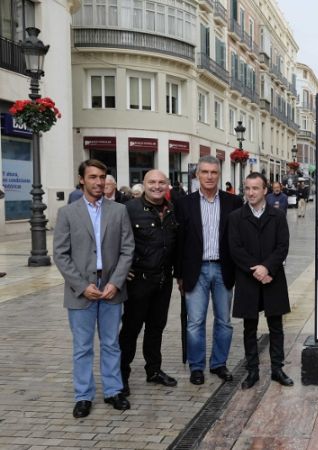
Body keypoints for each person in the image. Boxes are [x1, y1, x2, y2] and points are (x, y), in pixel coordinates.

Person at [53, 159, 134, 418]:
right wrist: (80, 285)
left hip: (111, 287)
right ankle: (83, 396)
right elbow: (61, 254)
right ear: (82, 180)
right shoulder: (67, 213)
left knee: (111, 344)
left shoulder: (119, 211)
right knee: (82, 347)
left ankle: (113, 391)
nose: (99, 182)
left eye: (102, 177)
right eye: (93, 177)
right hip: (81, 290)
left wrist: (115, 282)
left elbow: (127, 249)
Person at [175, 156, 243, 385]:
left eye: (214, 172)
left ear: (219, 174)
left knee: (224, 321)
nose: (209, 176)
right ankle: (196, 366)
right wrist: (179, 275)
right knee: (195, 322)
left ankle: (218, 364)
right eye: (205, 172)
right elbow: (179, 241)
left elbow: (238, 239)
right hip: (197, 270)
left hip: (224, 269)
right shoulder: (185, 203)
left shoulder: (233, 202)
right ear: (197, 175)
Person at [229, 172, 294, 389]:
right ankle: (252, 371)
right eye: (247, 188)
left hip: (272, 278)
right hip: (249, 279)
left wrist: (267, 267)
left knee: (276, 325)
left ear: (265, 190)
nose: (251, 192)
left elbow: (282, 246)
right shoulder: (236, 217)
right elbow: (235, 248)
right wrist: (255, 270)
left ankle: (277, 369)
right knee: (250, 327)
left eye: (255, 188)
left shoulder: (278, 216)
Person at [119, 170, 180, 396]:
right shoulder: (129, 210)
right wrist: (120, 270)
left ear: (167, 185)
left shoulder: (172, 210)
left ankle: (153, 370)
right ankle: (121, 376)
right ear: (143, 185)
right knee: (131, 330)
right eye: (152, 182)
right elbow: (114, 240)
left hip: (163, 281)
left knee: (156, 328)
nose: (157, 186)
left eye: (161, 182)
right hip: (139, 281)